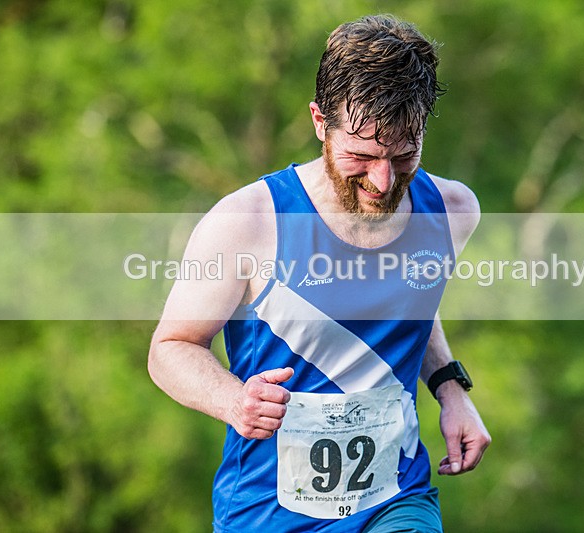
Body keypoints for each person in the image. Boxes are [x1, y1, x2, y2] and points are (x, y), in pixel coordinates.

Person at [148, 14, 490, 533]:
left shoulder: (451, 212)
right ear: (318, 122)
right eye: (362, 155)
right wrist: (234, 400)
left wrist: (449, 387)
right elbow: (170, 349)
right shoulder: (248, 222)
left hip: (395, 499)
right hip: (267, 513)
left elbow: (416, 305)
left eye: (404, 156)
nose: (383, 181)